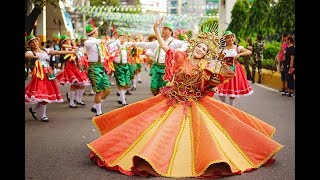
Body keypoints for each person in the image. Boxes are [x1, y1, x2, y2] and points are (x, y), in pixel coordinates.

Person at [86, 17, 283, 178]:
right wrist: (156, 28)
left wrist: (215, 77)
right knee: (147, 127)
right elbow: (164, 47)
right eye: (199, 47)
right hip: (171, 99)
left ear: (207, 53)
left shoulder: (208, 66)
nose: (201, 50)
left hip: (194, 103)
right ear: (194, 45)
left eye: (205, 50)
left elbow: (220, 77)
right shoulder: (180, 57)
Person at [126, 22, 189, 96]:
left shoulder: (174, 42)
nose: (163, 30)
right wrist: (132, 44)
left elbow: (186, 43)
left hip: (167, 69)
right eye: (162, 29)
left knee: (165, 88)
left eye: (165, 29)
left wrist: (178, 52)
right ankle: (157, 101)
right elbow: (146, 44)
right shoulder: (158, 42)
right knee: (154, 87)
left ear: (171, 31)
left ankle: (162, 104)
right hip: (156, 67)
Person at [25, 34, 75, 122]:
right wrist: (34, 56)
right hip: (39, 77)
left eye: (35, 41)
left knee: (46, 96)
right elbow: (26, 54)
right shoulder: (31, 52)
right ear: (29, 45)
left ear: (38, 41)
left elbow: (58, 52)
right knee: (43, 96)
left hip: (48, 75)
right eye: (31, 42)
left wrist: (70, 52)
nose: (34, 43)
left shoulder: (45, 50)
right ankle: (43, 116)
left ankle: (33, 109)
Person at [217, 30, 253, 106]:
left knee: (232, 92)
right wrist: (220, 58)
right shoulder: (222, 49)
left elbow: (249, 52)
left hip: (234, 69)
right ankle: (224, 104)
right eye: (228, 38)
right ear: (225, 40)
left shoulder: (238, 48)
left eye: (232, 37)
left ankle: (231, 107)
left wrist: (240, 54)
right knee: (220, 90)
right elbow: (218, 59)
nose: (230, 39)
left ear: (234, 38)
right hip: (224, 70)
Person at [84, 24, 112, 116]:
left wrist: (116, 41)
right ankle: (99, 112)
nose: (97, 32)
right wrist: (100, 40)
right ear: (94, 32)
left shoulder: (97, 42)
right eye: (96, 31)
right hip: (93, 67)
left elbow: (107, 43)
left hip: (100, 67)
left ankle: (95, 107)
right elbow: (89, 43)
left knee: (107, 89)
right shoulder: (88, 42)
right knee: (99, 91)